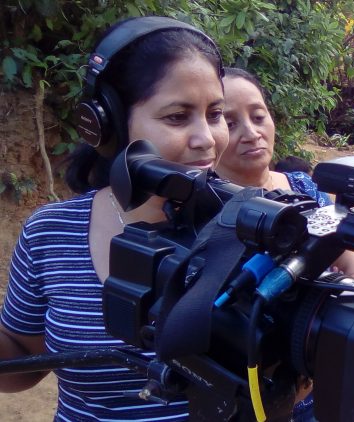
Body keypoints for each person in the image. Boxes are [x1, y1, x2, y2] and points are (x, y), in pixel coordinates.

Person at [0, 17, 228, 420]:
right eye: (177, 117)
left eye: (215, 113)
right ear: (109, 123)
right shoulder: (50, 233)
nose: (207, 138)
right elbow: (20, 362)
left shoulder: (258, 231)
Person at [215, 67, 354, 280]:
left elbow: (353, 267)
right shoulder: (208, 207)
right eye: (230, 124)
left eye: (258, 117)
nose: (252, 134)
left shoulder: (303, 188)